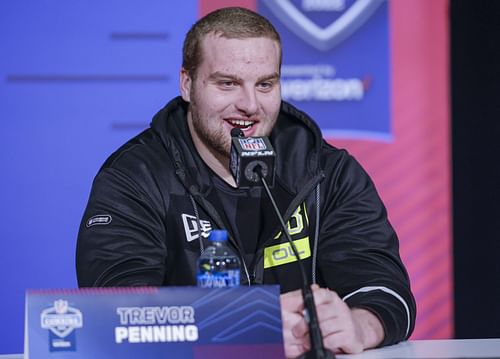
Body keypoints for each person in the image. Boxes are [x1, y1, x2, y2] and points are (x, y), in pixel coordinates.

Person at [76, 7, 416, 357]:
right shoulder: (135, 177)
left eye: (265, 84)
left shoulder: (328, 173)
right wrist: (245, 327)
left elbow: (385, 288)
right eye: (227, 83)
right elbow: (115, 311)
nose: (250, 105)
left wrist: (359, 324)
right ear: (187, 84)